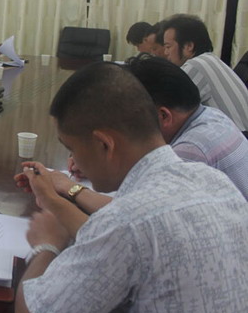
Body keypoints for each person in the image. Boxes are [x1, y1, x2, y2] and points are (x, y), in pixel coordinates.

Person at [12, 62, 248, 313]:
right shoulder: (217, 182)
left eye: (72, 149)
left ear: (105, 144)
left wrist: (46, 245)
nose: (74, 161)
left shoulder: (125, 222)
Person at [46, 56, 248, 225]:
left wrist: (70, 188)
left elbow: (130, 214)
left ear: (163, 116)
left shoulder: (191, 151)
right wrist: (95, 160)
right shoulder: (211, 116)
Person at [163, 14, 248, 131]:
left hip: (237, 137)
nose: (165, 52)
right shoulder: (212, 60)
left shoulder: (195, 66)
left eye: (168, 47)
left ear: (189, 46)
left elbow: (166, 106)